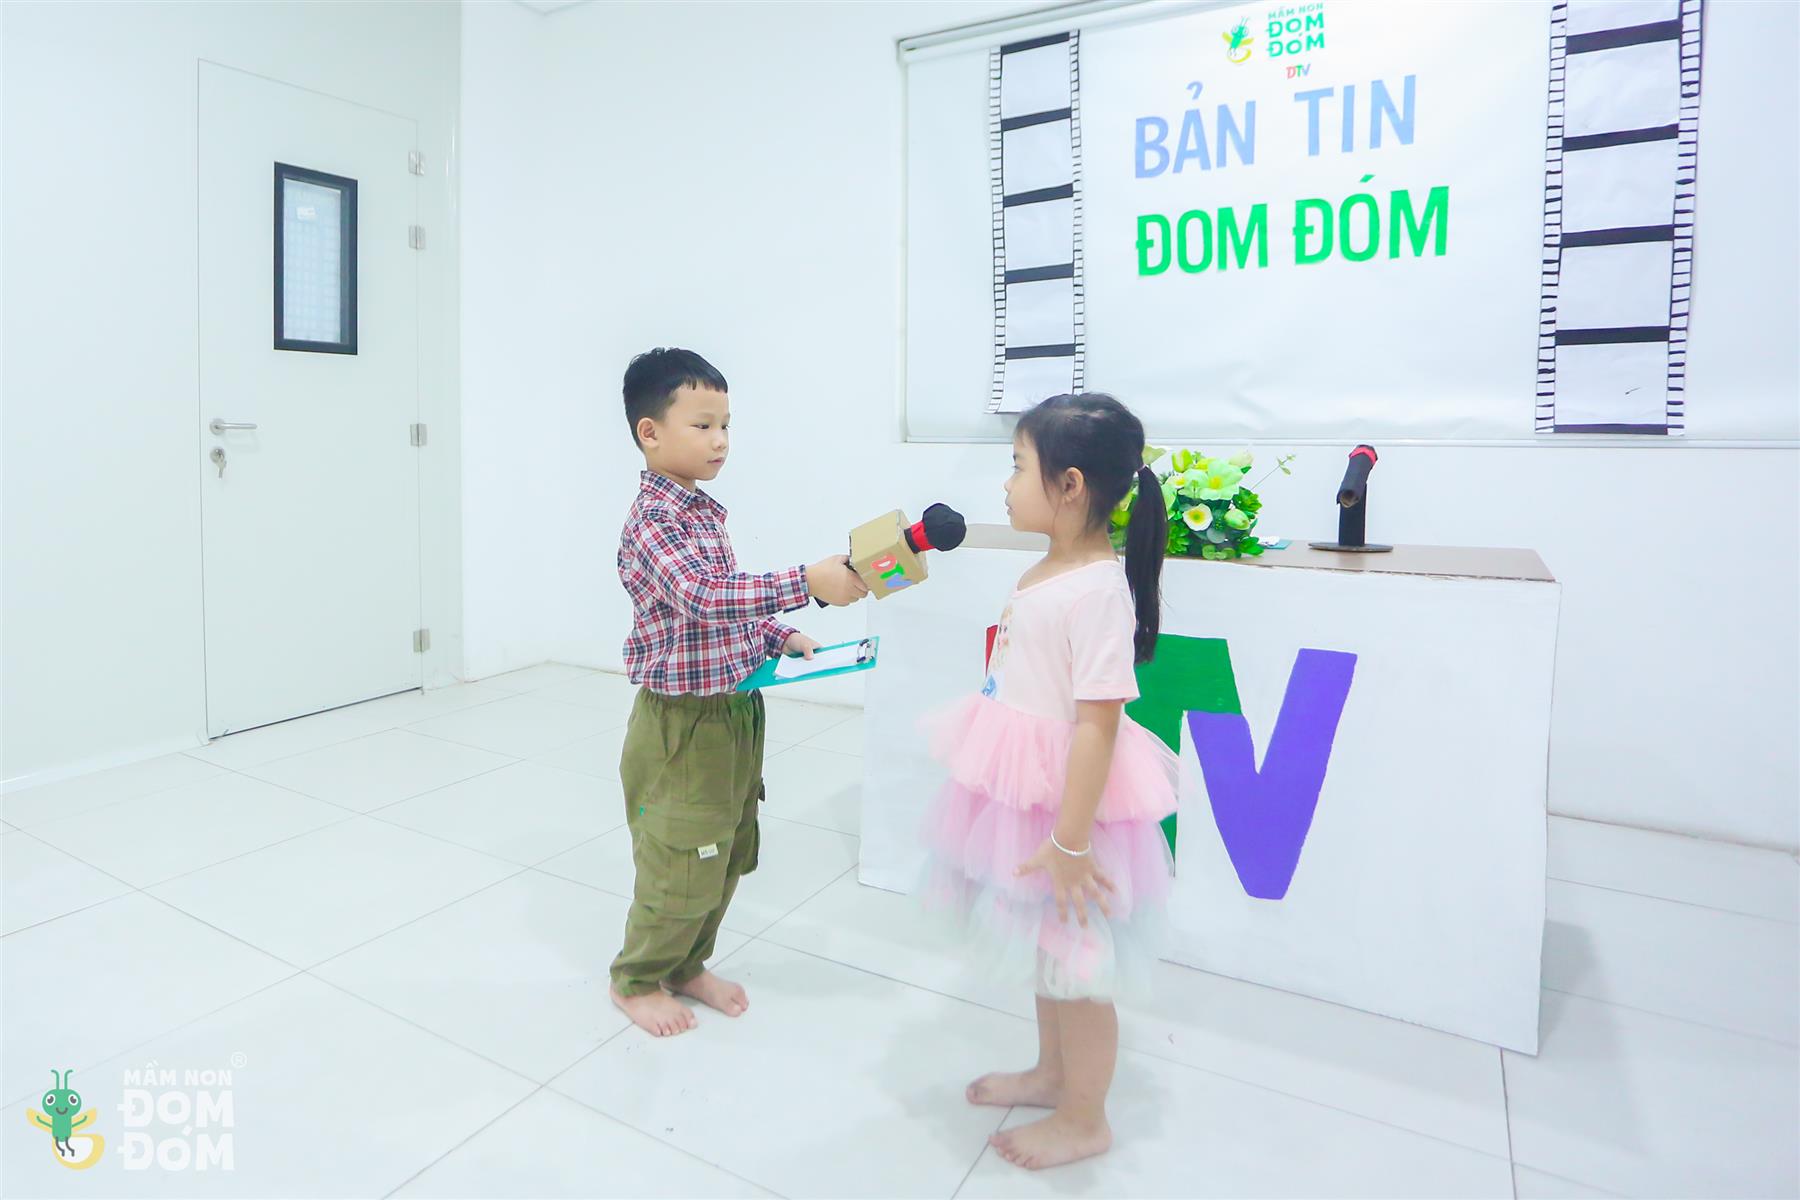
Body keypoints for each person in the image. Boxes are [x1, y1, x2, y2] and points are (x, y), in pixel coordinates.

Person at [921, 392, 1176, 1169]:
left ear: (1069, 485)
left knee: (1081, 964)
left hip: (1071, 810)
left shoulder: (1096, 591)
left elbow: (1098, 724)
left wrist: (1071, 842)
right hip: (1025, 792)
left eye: (1017, 466)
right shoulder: (1049, 569)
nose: (1006, 484)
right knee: (1046, 947)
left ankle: (1085, 1118)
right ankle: (1052, 1073)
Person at [609, 347, 868, 1038]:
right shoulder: (654, 521)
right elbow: (701, 595)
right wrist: (806, 583)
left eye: (725, 425)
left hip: (734, 709)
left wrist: (778, 633)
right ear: (650, 432)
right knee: (679, 859)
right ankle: (636, 978)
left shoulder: (700, 513)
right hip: (681, 725)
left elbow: (725, 607)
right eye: (702, 425)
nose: (720, 440)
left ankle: (688, 964)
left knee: (722, 852)